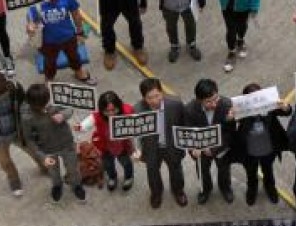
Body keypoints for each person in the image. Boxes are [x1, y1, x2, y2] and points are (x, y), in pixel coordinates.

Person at [0, 70, 45, 196]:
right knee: (5, 162)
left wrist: (34, 126)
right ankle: (14, 180)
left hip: (18, 131)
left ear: (6, 87)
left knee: (34, 150)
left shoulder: (16, 89)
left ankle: (45, 167)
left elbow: (26, 107)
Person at [26, 0, 97, 85]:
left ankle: (79, 72)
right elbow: (31, 23)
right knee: (49, 62)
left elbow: (76, 14)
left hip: (69, 37)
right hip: (48, 42)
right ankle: (49, 78)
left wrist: (80, 31)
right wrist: (30, 27)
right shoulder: (36, 5)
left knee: (74, 56)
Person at [22, 82, 84, 203]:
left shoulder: (55, 100)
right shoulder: (27, 117)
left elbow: (69, 108)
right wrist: (42, 156)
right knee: (53, 171)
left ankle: (76, 185)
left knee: (73, 168)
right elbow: (29, 139)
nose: (46, 108)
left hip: (66, 143)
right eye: (41, 106)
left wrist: (63, 115)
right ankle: (57, 185)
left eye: (47, 103)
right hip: (47, 148)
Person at [133, 78, 188, 208]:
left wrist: (185, 143)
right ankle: (156, 193)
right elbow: (137, 132)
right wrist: (138, 149)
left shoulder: (176, 104)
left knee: (176, 170)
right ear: (143, 97)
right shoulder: (137, 109)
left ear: (162, 92)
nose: (154, 100)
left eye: (157, 95)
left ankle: (178, 191)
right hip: (151, 147)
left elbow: (184, 124)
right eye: (149, 98)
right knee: (152, 172)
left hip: (171, 145)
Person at [233, 83, 291, 205]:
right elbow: (230, 123)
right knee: (251, 173)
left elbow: (287, 112)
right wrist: (230, 118)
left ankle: (270, 188)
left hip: (268, 148)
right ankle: (252, 190)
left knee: (268, 170)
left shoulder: (269, 105)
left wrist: (286, 107)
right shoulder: (241, 110)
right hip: (250, 150)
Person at [185, 79, 236, 204]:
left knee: (224, 169)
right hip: (201, 150)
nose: (214, 104)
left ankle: (225, 188)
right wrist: (194, 148)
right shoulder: (189, 110)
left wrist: (230, 120)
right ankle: (205, 190)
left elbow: (229, 132)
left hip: (221, 147)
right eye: (208, 101)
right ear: (199, 100)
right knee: (202, 171)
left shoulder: (227, 104)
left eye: (215, 99)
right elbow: (188, 132)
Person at [75, 91, 135, 192]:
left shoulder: (127, 111)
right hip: (105, 146)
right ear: (101, 109)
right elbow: (87, 123)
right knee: (108, 164)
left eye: (113, 110)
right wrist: (80, 126)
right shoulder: (97, 116)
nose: (111, 113)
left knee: (126, 163)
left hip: (122, 145)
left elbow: (137, 121)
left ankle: (129, 177)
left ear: (119, 106)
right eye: (107, 111)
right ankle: (112, 177)